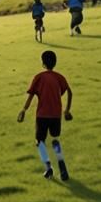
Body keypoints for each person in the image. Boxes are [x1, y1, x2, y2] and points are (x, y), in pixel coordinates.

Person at [18, 50, 72, 180]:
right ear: (55, 62)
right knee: (55, 140)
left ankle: (48, 168)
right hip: (56, 115)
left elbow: (31, 96)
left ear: (43, 63)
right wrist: (67, 110)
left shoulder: (39, 77)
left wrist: (24, 110)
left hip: (42, 115)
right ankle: (62, 165)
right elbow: (70, 92)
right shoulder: (59, 77)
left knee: (39, 141)